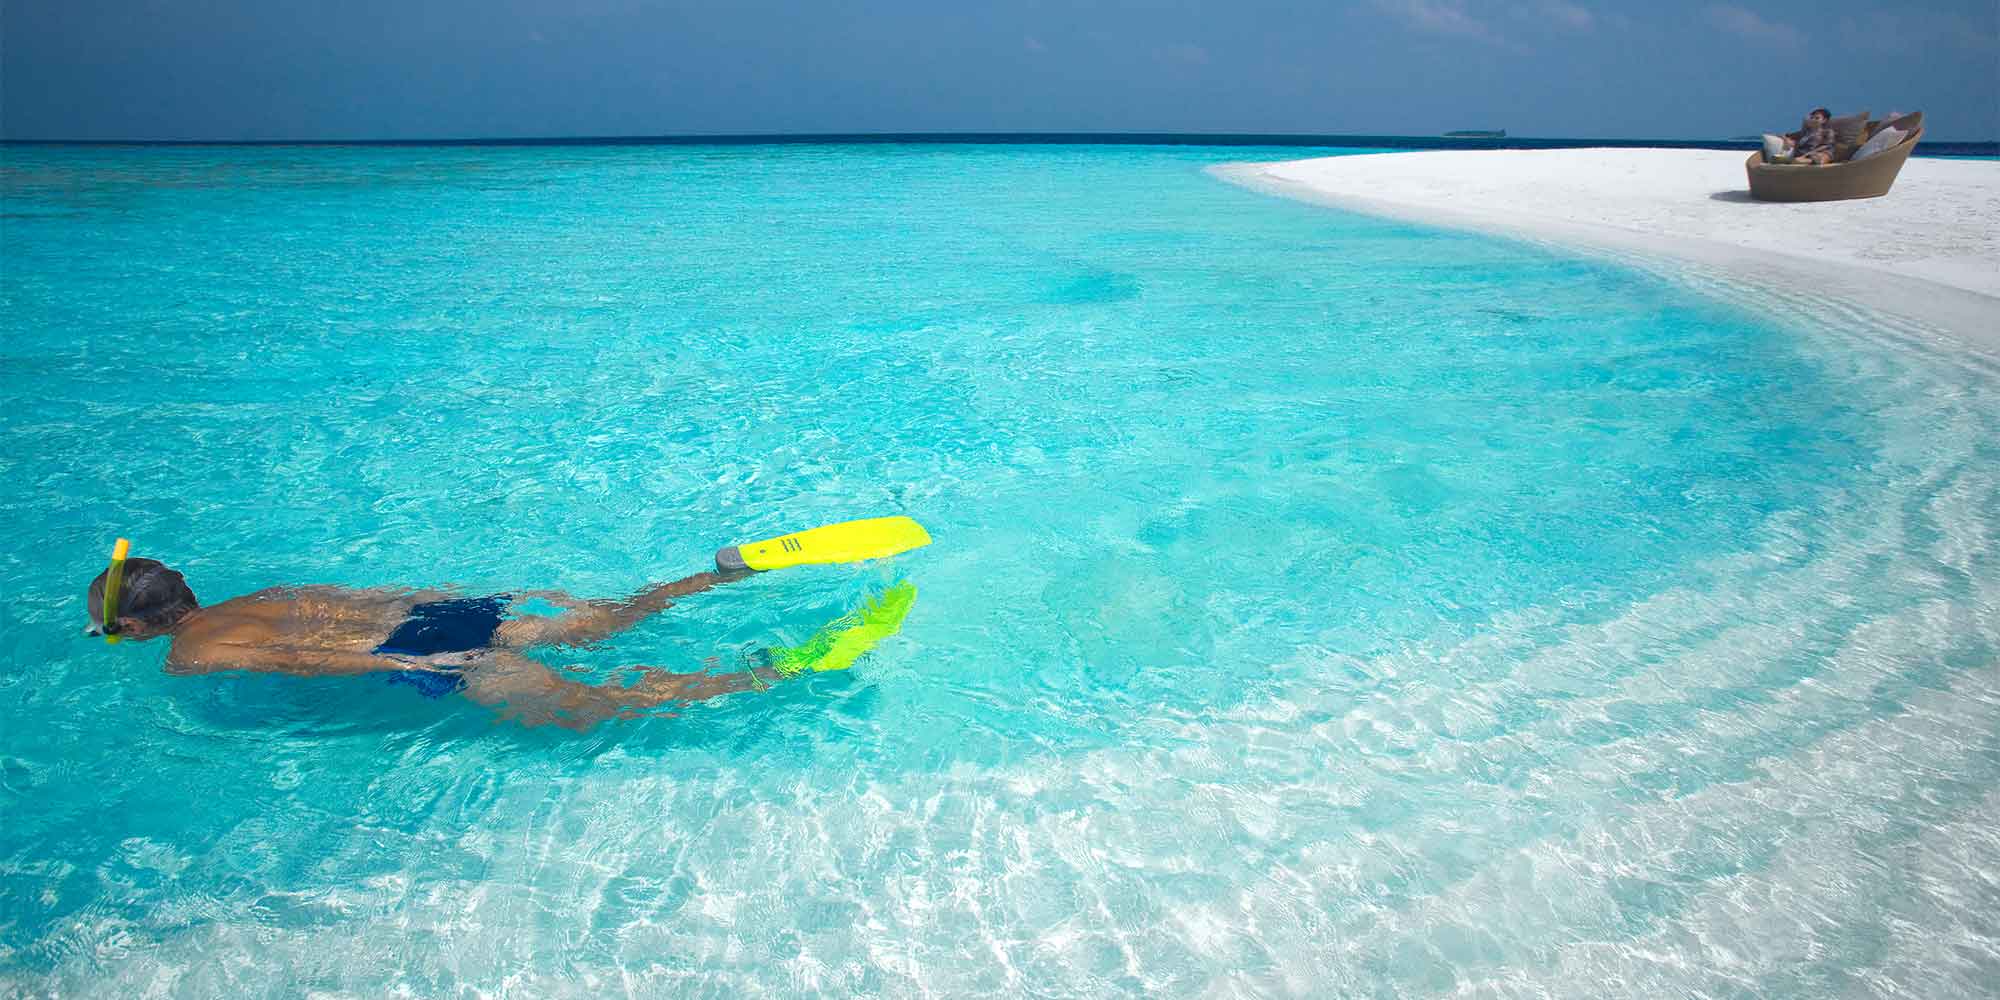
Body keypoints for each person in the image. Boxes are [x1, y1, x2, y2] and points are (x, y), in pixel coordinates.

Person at [85, 555, 781, 730]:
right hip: (443, 614)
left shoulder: (190, 655)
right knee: (609, 619)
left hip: (418, 651)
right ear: (190, 592)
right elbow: (372, 599)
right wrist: (485, 601)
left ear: (139, 628)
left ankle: (753, 677)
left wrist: (405, 661)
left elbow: (298, 659)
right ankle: (712, 575)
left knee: (585, 708)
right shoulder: (262, 595)